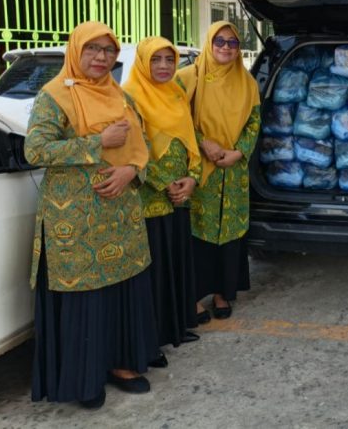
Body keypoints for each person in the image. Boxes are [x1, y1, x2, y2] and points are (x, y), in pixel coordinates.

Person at [26, 21, 158, 409]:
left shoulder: (120, 95)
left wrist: (131, 170)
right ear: (76, 51)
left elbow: (142, 143)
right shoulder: (53, 97)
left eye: (108, 50)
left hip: (120, 216)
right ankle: (85, 379)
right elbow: (35, 151)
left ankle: (123, 364)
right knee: (87, 298)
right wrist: (96, 143)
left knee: (121, 290)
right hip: (76, 221)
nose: (101, 58)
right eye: (92, 49)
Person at [123, 37, 202, 364]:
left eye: (170, 60)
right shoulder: (130, 97)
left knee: (176, 259)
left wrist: (192, 178)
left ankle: (177, 326)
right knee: (153, 268)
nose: (164, 67)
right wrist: (164, 183)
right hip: (149, 196)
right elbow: (133, 149)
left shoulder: (177, 93)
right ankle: (153, 338)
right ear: (143, 62)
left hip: (179, 194)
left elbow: (190, 139)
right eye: (156, 60)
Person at [178, 21, 260, 322]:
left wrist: (239, 151)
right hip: (200, 168)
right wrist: (204, 144)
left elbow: (254, 122)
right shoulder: (188, 78)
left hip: (233, 171)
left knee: (231, 237)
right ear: (209, 43)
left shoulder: (247, 82)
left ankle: (223, 292)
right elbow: (177, 119)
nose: (226, 48)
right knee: (197, 234)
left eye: (232, 43)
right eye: (219, 42)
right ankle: (196, 297)